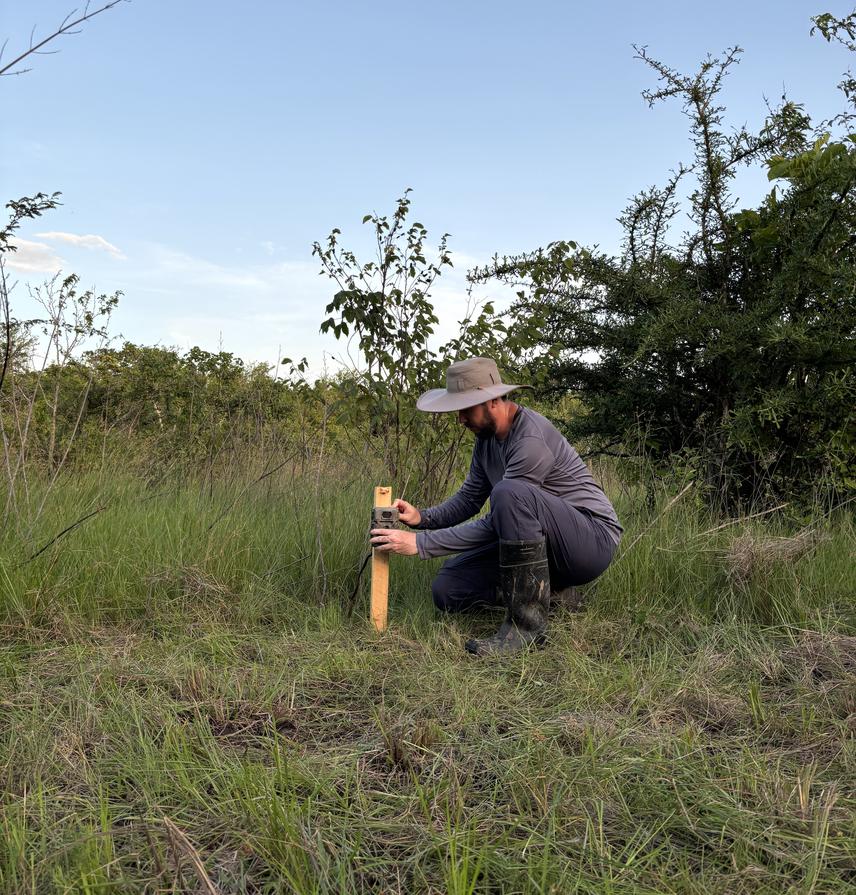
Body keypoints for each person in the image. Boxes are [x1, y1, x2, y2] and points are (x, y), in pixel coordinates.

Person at [370, 356, 622, 656]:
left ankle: (525, 630)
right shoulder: (486, 441)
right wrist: (422, 518)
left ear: (491, 401)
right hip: (538, 543)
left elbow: (498, 520)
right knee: (448, 589)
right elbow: (469, 499)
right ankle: (552, 595)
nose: (460, 419)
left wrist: (421, 544)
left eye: (465, 409)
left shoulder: (530, 438)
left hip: (590, 542)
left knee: (509, 492)